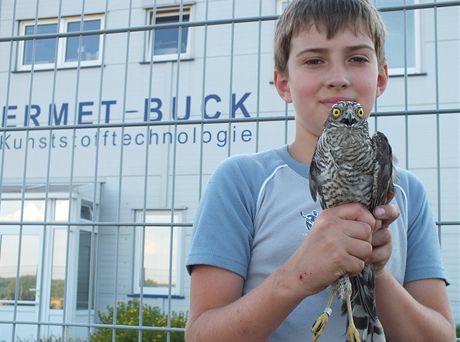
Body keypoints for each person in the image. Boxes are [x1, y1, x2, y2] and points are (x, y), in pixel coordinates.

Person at [185, 0, 456, 341]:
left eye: (357, 58)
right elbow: (200, 336)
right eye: (314, 60)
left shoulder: (407, 192)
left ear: (381, 77)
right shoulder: (241, 181)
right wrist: (298, 275)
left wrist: (374, 269)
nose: (338, 78)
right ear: (283, 83)